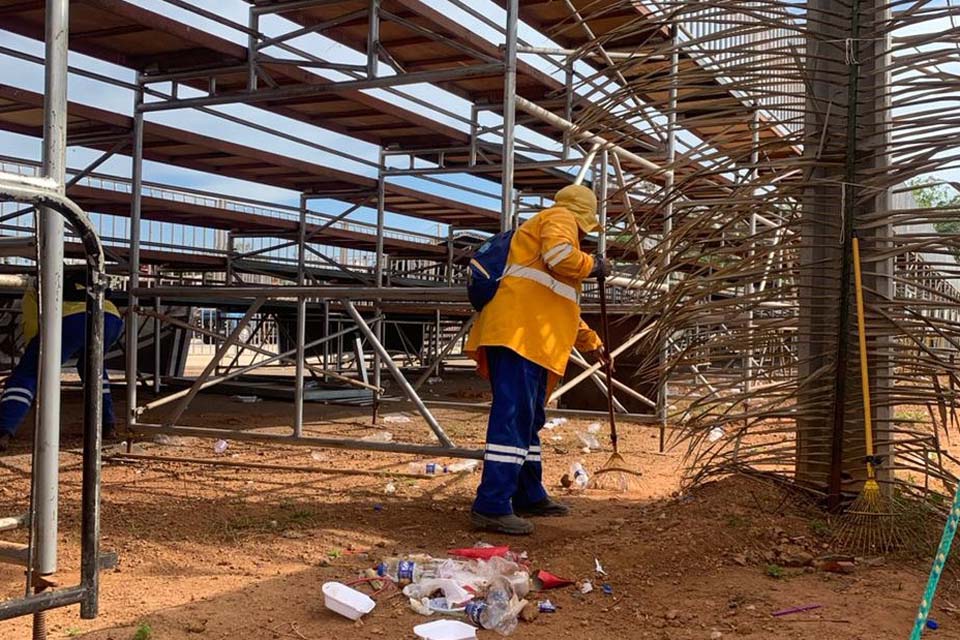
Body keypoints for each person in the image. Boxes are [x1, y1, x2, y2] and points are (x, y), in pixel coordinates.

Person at [465, 184, 611, 535]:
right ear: (582, 217)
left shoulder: (548, 243)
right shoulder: (558, 218)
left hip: (531, 339)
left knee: (529, 421)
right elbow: (562, 257)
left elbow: (562, 308)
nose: (585, 236)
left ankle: (528, 494)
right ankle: (492, 505)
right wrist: (595, 265)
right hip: (518, 336)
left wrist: (592, 343)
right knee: (513, 417)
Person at [0, 269, 123, 452]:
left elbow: (32, 328)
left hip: (71, 320)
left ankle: (3, 429)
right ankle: (107, 424)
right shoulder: (83, 276)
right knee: (93, 367)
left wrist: (37, 354)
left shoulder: (36, 286)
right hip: (110, 317)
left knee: (29, 373)